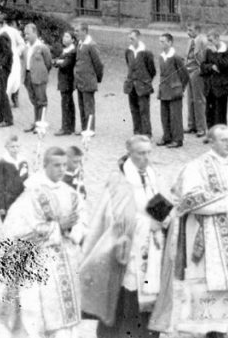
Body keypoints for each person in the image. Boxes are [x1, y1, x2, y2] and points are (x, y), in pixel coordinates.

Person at [149, 125, 228, 338]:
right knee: (203, 285)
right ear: (211, 142)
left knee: (225, 286)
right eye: (224, 140)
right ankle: (198, 329)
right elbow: (190, 199)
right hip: (205, 236)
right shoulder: (196, 167)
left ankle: (219, 328)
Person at [81, 135, 163, 338]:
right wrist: (147, 224)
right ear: (130, 153)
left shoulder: (150, 174)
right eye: (140, 153)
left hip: (149, 250)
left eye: (148, 153)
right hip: (126, 254)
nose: (146, 158)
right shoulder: (120, 180)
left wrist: (165, 217)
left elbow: (156, 200)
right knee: (125, 305)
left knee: (146, 305)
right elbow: (116, 218)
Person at [0, 146, 85, 338]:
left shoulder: (71, 192)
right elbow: (17, 231)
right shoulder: (31, 193)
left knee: (63, 322)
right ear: (45, 165)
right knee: (34, 317)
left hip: (64, 265)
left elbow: (81, 222)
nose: (61, 169)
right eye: (56, 165)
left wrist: (73, 229)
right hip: (37, 264)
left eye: (64, 165)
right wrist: (57, 228)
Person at [157, 33, 189, 148]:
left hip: (174, 90)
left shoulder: (176, 57)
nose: (161, 44)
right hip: (164, 89)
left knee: (175, 116)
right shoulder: (161, 56)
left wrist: (180, 87)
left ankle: (177, 139)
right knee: (164, 115)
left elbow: (185, 75)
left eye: (164, 42)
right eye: (160, 41)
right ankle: (167, 136)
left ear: (170, 43)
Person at [124, 30, 156, 137]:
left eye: (132, 39)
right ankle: (137, 131)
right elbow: (129, 65)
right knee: (134, 109)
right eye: (129, 39)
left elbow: (152, 70)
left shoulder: (146, 53)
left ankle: (146, 133)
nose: (130, 41)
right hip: (131, 85)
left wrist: (145, 80)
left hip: (142, 85)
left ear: (138, 38)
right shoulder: (128, 51)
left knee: (144, 110)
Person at [23, 24, 54, 132]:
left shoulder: (42, 47)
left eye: (28, 34)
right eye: (25, 34)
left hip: (39, 77)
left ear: (35, 33)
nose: (26, 36)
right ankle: (36, 122)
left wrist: (42, 73)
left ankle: (41, 124)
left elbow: (48, 63)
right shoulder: (26, 46)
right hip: (28, 75)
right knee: (34, 100)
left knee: (41, 100)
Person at [74, 23, 104, 133]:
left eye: (77, 31)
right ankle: (84, 127)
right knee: (82, 106)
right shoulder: (80, 43)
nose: (75, 33)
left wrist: (97, 78)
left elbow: (98, 63)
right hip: (80, 80)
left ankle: (90, 129)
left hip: (88, 80)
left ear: (85, 31)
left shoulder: (91, 45)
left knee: (89, 107)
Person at [0, 135, 29, 221]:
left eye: (17, 146)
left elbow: (26, 180)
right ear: (7, 147)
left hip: (21, 199)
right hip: (7, 201)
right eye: (12, 147)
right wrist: (0, 205)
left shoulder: (23, 162)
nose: (15, 149)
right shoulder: (1, 163)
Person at [201, 30, 228, 133]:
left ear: (217, 38)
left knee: (220, 112)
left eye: (211, 40)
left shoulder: (227, 51)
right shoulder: (208, 50)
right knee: (209, 112)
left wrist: (215, 54)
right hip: (209, 86)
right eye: (208, 41)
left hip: (221, 87)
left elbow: (223, 66)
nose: (209, 43)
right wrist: (211, 67)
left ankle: (220, 134)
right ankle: (210, 133)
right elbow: (203, 66)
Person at [184, 26, 209, 138]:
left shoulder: (202, 40)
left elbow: (202, 58)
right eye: (187, 30)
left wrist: (200, 69)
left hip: (197, 72)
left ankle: (201, 127)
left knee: (198, 99)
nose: (188, 32)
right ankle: (191, 125)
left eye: (191, 30)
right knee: (190, 99)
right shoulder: (191, 40)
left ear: (197, 30)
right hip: (188, 71)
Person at [53, 31, 78, 136]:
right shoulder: (66, 50)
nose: (64, 38)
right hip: (64, 79)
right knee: (68, 103)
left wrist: (59, 62)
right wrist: (58, 62)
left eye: (67, 36)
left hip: (67, 80)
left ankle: (66, 127)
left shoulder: (72, 51)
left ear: (72, 39)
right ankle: (69, 126)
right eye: (64, 36)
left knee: (66, 104)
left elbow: (64, 64)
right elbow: (57, 62)